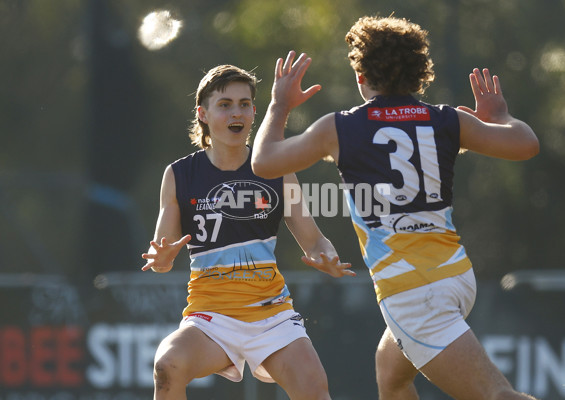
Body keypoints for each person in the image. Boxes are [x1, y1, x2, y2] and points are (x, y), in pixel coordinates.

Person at [251, 16, 540, 400]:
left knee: (498, 396)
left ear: (360, 77)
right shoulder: (447, 120)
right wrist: (500, 116)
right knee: (391, 376)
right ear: (421, 75)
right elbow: (525, 144)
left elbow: (264, 162)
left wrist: (279, 105)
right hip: (455, 276)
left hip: (413, 290)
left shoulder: (339, 127)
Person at [141, 64, 354, 400]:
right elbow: (162, 259)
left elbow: (313, 238)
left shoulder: (277, 169)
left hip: (272, 315)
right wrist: (162, 259)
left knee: (314, 388)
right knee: (168, 366)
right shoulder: (179, 174)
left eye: (244, 104)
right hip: (210, 318)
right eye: (224, 104)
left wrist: (325, 255)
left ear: (255, 112)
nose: (236, 112)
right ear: (203, 114)